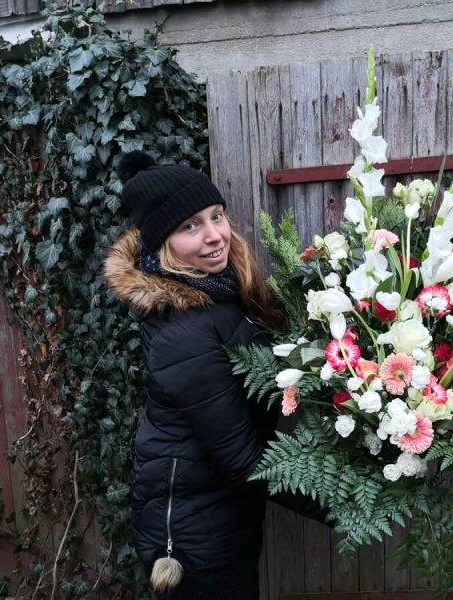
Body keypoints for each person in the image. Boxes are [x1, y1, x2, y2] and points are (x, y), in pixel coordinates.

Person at [103, 151, 326, 600]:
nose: (214, 236)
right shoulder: (180, 332)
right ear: (160, 244)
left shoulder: (221, 291)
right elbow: (241, 456)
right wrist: (346, 504)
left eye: (217, 216)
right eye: (190, 226)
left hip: (223, 512)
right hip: (190, 536)